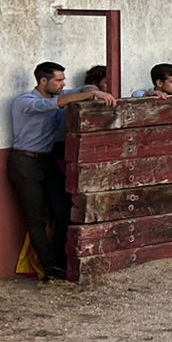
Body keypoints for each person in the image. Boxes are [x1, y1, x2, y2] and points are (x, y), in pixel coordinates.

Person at [9, 61, 112, 281]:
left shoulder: (60, 94)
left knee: (62, 212)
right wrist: (89, 95)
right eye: (58, 80)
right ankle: (49, 268)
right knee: (36, 218)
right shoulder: (24, 102)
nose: (63, 83)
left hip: (47, 160)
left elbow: (82, 90)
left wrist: (94, 91)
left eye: (63, 79)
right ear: (43, 81)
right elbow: (60, 102)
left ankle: (59, 262)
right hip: (25, 162)